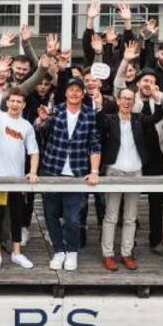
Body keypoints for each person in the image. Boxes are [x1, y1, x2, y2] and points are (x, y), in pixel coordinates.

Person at [36, 78, 101, 273]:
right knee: (51, 214)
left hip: (77, 173)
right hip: (51, 169)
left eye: (78, 90)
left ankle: (72, 251)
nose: (74, 93)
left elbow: (94, 145)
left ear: (83, 94)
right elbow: (41, 132)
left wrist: (95, 171)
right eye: (71, 89)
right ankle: (58, 250)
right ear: (65, 93)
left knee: (73, 218)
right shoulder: (55, 111)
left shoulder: (90, 114)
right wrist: (41, 120)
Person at [97, 86, 161, 271]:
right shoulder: (110, 119)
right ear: (117, 100)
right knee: (111, 216)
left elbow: (157, 117)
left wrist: (158, 99)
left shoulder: (139, 119)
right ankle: (108, 254)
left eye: (130, 99)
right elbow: (99, 123)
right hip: (115, 171)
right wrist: (100, 105)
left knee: (131, 217)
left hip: (135, 172)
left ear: (134, 102)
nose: (126, 102)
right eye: (123, 98)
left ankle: (126, 253)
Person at [0, 87, 41, 272]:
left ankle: (17, 253)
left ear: (23, 105)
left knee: (17, 217)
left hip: (17, 180)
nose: (15, 104)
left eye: (19, 101)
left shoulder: (27, 126)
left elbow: (34, 151)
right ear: (7, 102)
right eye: (12, 101)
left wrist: (32, 172)